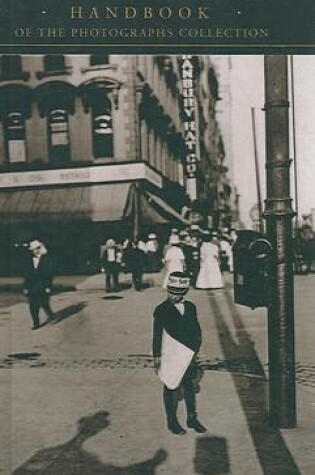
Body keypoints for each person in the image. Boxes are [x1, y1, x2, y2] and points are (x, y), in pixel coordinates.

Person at [153, 271, 207, 435]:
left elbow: (196, 329)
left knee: (188, 385)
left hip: (188, 353)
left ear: (184, 292)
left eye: (178, 293)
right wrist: (157, 356)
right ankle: (172, 420)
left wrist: (196, 348)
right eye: (171, 292)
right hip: (170, 352)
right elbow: (156, 334)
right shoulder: (161, 309)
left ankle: (192, 418)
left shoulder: (191, 307)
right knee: (170, 385)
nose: (174, 296)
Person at [23, 240, 54, 330]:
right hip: (31, 286)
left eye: (35, 249)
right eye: (32, 250)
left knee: (43, 302)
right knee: (32, 305)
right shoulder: (28, 260)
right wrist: (25, 287)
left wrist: (48, 286)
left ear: (39, 248)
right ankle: (36, 323)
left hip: (43, 285)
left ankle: (51, 315)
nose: (33, 251)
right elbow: (26, 274)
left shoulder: (47, 259)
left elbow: (49, 275)